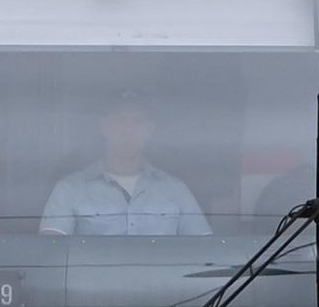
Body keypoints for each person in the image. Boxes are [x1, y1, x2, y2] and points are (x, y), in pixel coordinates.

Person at [40, 87, 209, 237]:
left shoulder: (176, 190)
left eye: (138, 122)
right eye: (119, 120)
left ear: (150, 129)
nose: (128, 130)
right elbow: (52, 253)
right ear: (103, 126)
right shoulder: (69, 189)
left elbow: (204, 252)